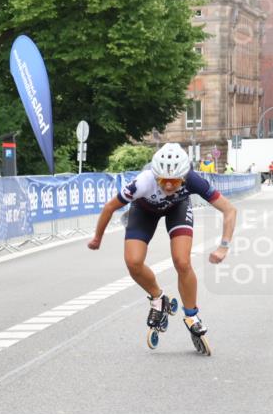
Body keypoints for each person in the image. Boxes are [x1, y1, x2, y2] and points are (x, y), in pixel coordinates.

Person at [87, 142, 238, 348]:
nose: (168, 186)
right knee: (133, 262)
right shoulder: (143, 181)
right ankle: (158, 298)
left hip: (177, 209)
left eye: (174, 182)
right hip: (144, 211)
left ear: (184, 177)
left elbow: (229, 210)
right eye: (163, 181)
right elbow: (109, 207)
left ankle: (192, 316)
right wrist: (97, 238)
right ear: (155, 175)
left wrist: (224, 246)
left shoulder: (193, 180)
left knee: (182, 262)